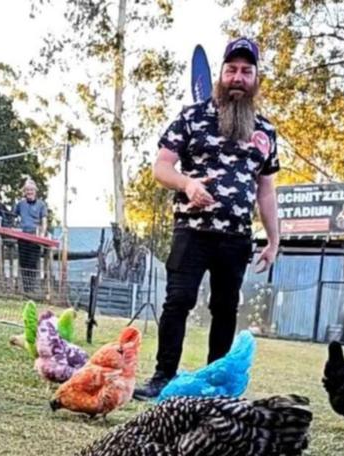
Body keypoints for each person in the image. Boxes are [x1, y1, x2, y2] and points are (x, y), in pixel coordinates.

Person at [133, 37, 281, 400]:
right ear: (221, 73)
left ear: (255, 78)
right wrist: (187, 184)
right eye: (232, 69)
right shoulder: (192, 116)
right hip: (192, 231)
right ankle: (163, 377)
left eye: (247, 71)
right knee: (177, 301)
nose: (238, 77)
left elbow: (266, 191)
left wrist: (274, 240)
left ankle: (215, 386)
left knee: (225, 309)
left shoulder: (266, 132)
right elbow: (161, 167)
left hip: (236, 238)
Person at [13, 179, 47, 294]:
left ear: (35, 191)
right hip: (22, 235)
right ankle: (26, 289)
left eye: (31, 190)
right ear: (24, 191)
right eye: (27, 190)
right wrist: (15, 227)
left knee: (33, 262)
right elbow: (13, 216)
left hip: (35, 236)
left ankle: (32, 288)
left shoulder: (41, 204)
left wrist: (42, 234)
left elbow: (44, 220)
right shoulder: (20, 204)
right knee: (23, 262)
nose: (29, 192)